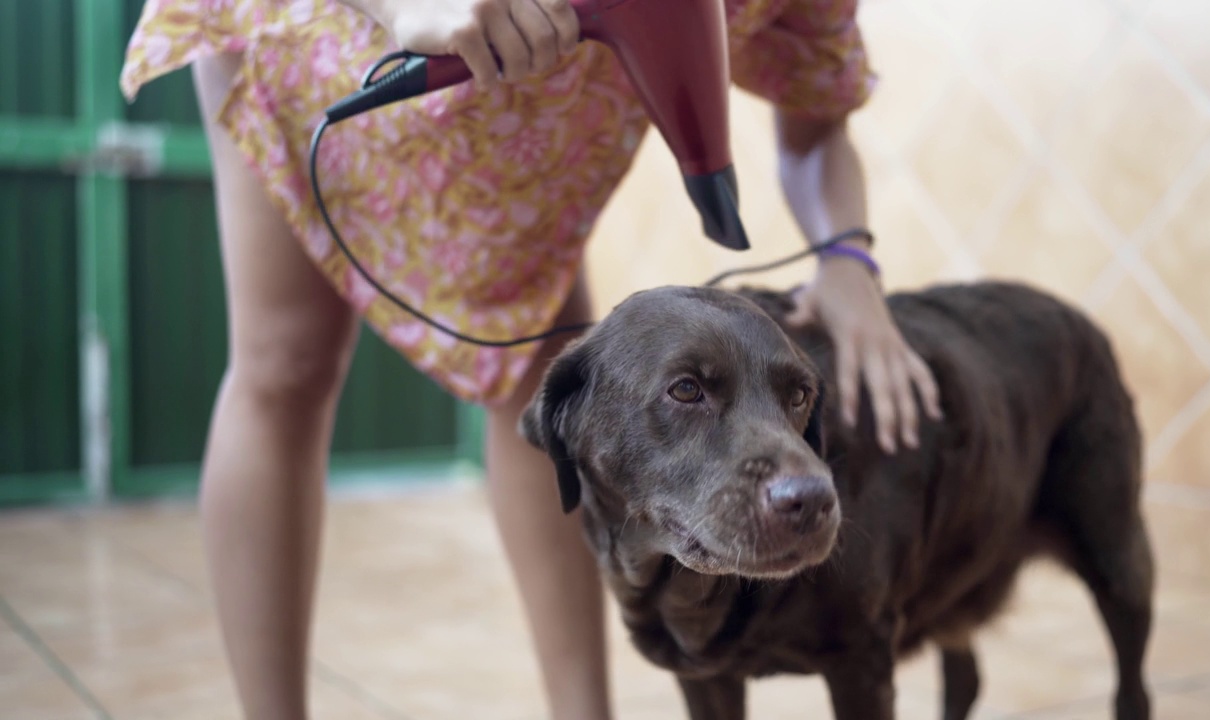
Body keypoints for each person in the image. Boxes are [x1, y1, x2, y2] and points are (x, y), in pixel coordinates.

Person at [120, 1, 942, 718]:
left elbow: (815, 120)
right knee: (285, 361)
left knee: (538, 368)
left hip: (540, 133)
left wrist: (847, 261)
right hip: (341, 48)